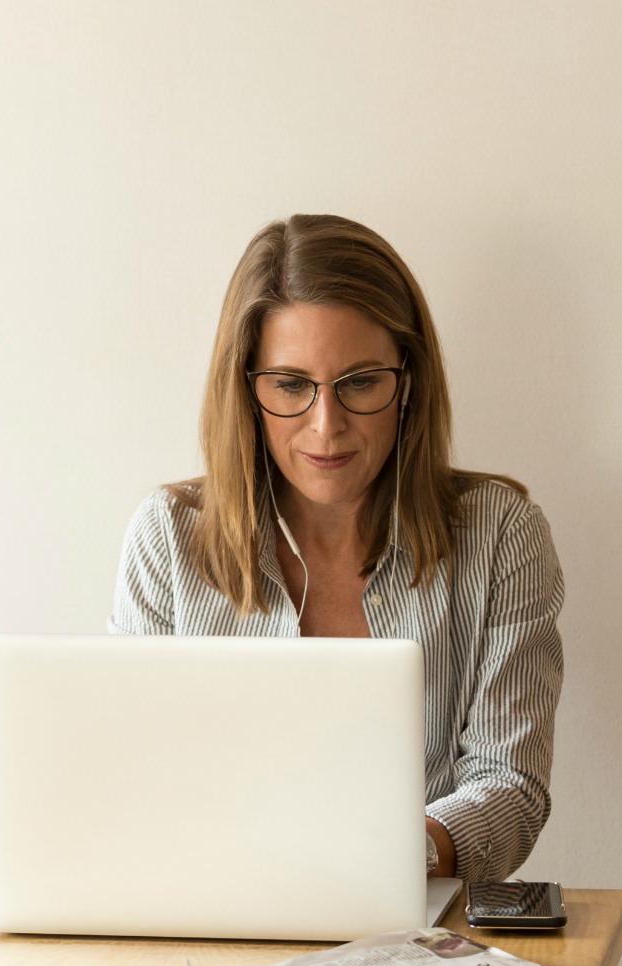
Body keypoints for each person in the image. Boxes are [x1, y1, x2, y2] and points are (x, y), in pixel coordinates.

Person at [110, 213, 564, 883]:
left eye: (359, 383)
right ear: (247, 389)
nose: (327, 426)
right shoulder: (167, 538)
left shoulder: (500, 534)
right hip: (211, 920)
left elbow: (510, 785)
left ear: (407, 381)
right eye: (291, 385)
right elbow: (134, 781)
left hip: (418, 934)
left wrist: (386, 858)